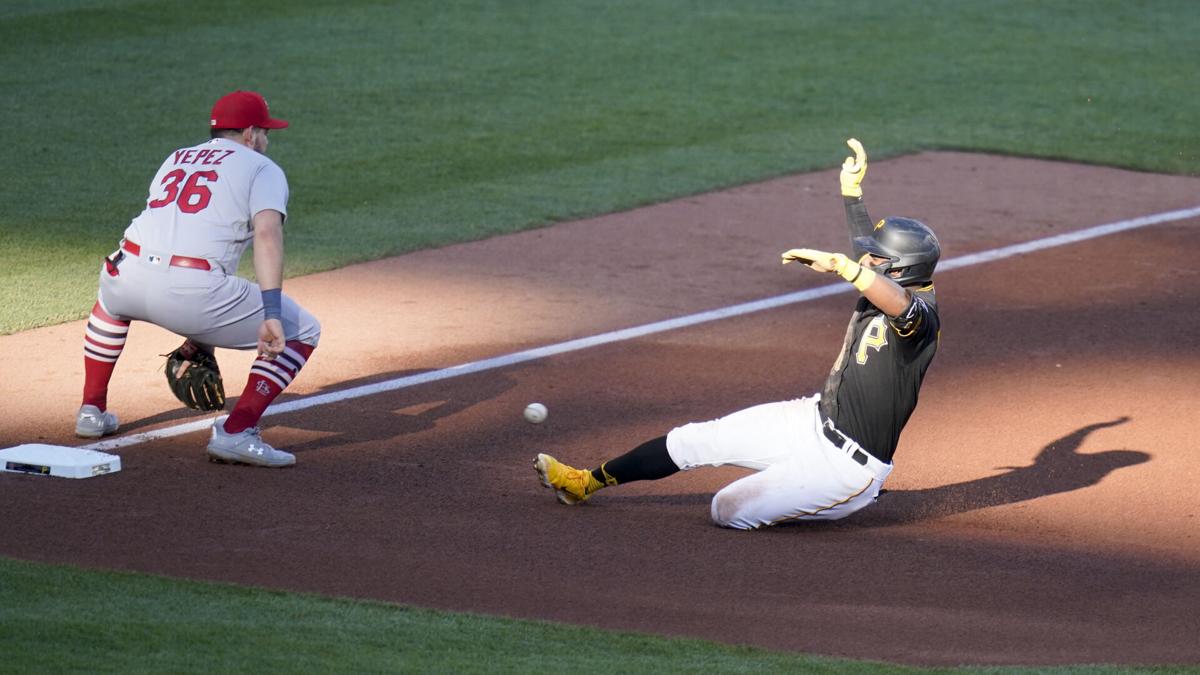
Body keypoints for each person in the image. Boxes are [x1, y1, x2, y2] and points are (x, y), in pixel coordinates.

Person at [534, 139, 941, 528]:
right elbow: (871, 267)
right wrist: (851, 192)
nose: (865, 260)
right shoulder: (891, 275)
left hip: (846, 468)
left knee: (727, 509)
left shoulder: (921, 320)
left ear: (900, 269)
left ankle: (846, 498)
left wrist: (843, 267)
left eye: (876, 258)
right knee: (694, 440)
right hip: (812, 420)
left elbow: (895, 302)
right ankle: (583, 482)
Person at [75, 90, 320, 468]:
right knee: (302, 330)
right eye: (267, 134)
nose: (267, 142)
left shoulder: (177, 157)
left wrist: (200, 337)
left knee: (110, 299)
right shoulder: (261, 168)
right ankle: (237, 432)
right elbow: (268, 235)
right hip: (192, 290)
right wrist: (269, 311)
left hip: (125, 272)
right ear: (251, 134)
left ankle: (91, 411)